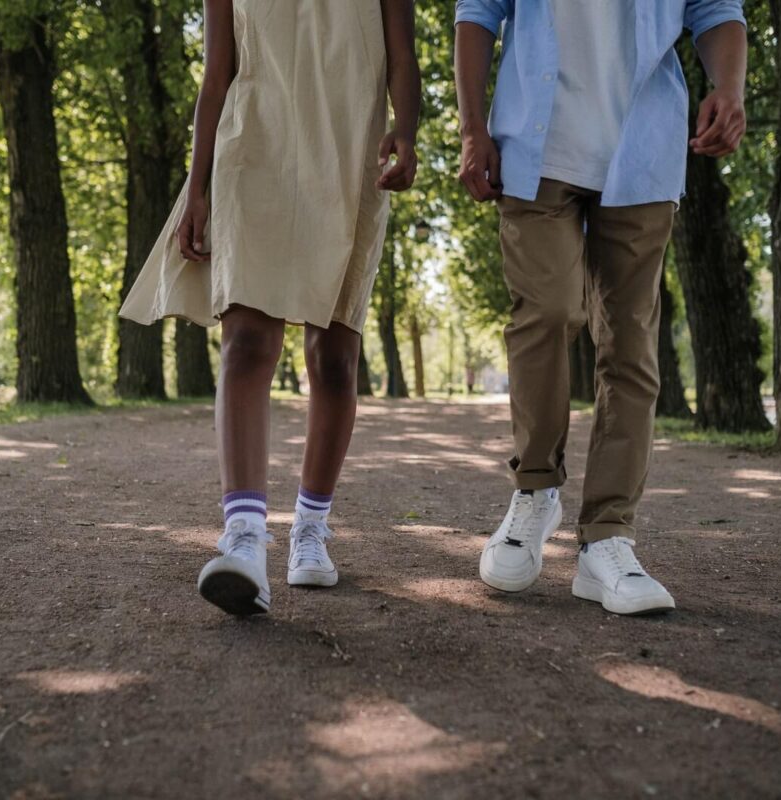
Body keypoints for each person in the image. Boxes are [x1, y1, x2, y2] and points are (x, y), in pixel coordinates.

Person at [120, 0, 420, 616]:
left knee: (333, 357)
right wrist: (197, 185)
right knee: (248, 344)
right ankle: (245, 539)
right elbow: (216, 76)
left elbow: (404, 56)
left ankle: (311, 528)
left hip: (348, 155)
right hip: (252, 147)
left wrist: (407, 130)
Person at [454, 1, 748, 614]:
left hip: (641, 150)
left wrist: (729, 86)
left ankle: (607, 540)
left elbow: (716, 8)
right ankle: (535, 490)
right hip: (533, 146)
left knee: (631, 347)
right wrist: (472, 128)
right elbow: (478, 10)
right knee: (550, 311)